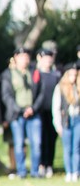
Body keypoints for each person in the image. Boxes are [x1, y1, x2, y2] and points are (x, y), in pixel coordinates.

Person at [1, 46, 39, 179]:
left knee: (36, 143)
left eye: (27, 56)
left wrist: (33, 108)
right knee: (18, 143)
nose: (25, 59)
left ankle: (35, 171)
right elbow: (7, 96)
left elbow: (40, 91)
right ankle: (21, 171)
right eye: (22, 56)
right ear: (16, 58)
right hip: (17, 114)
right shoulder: (8, 74)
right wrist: (20, 110)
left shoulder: (34, 71)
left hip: (33, 112)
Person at [33, 48, 60, 178]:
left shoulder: (56, 75)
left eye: (50, 58)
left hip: (53, 112)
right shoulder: (36, 73)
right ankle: (41, 164)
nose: (48, 60)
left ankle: (49, 164)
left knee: (51, 139)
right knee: (41, 140)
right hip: (40, 112)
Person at [52, 63, 79, 182]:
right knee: (67, 148)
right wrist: (58, 125)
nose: (73, 77)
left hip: (77, 120)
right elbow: (56, 108)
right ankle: (69, 171)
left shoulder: (78, 87)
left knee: (76, 147)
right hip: (66, 120)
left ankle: (76, 171)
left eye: (75, 75)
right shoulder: (60, 88)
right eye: (71, 74)